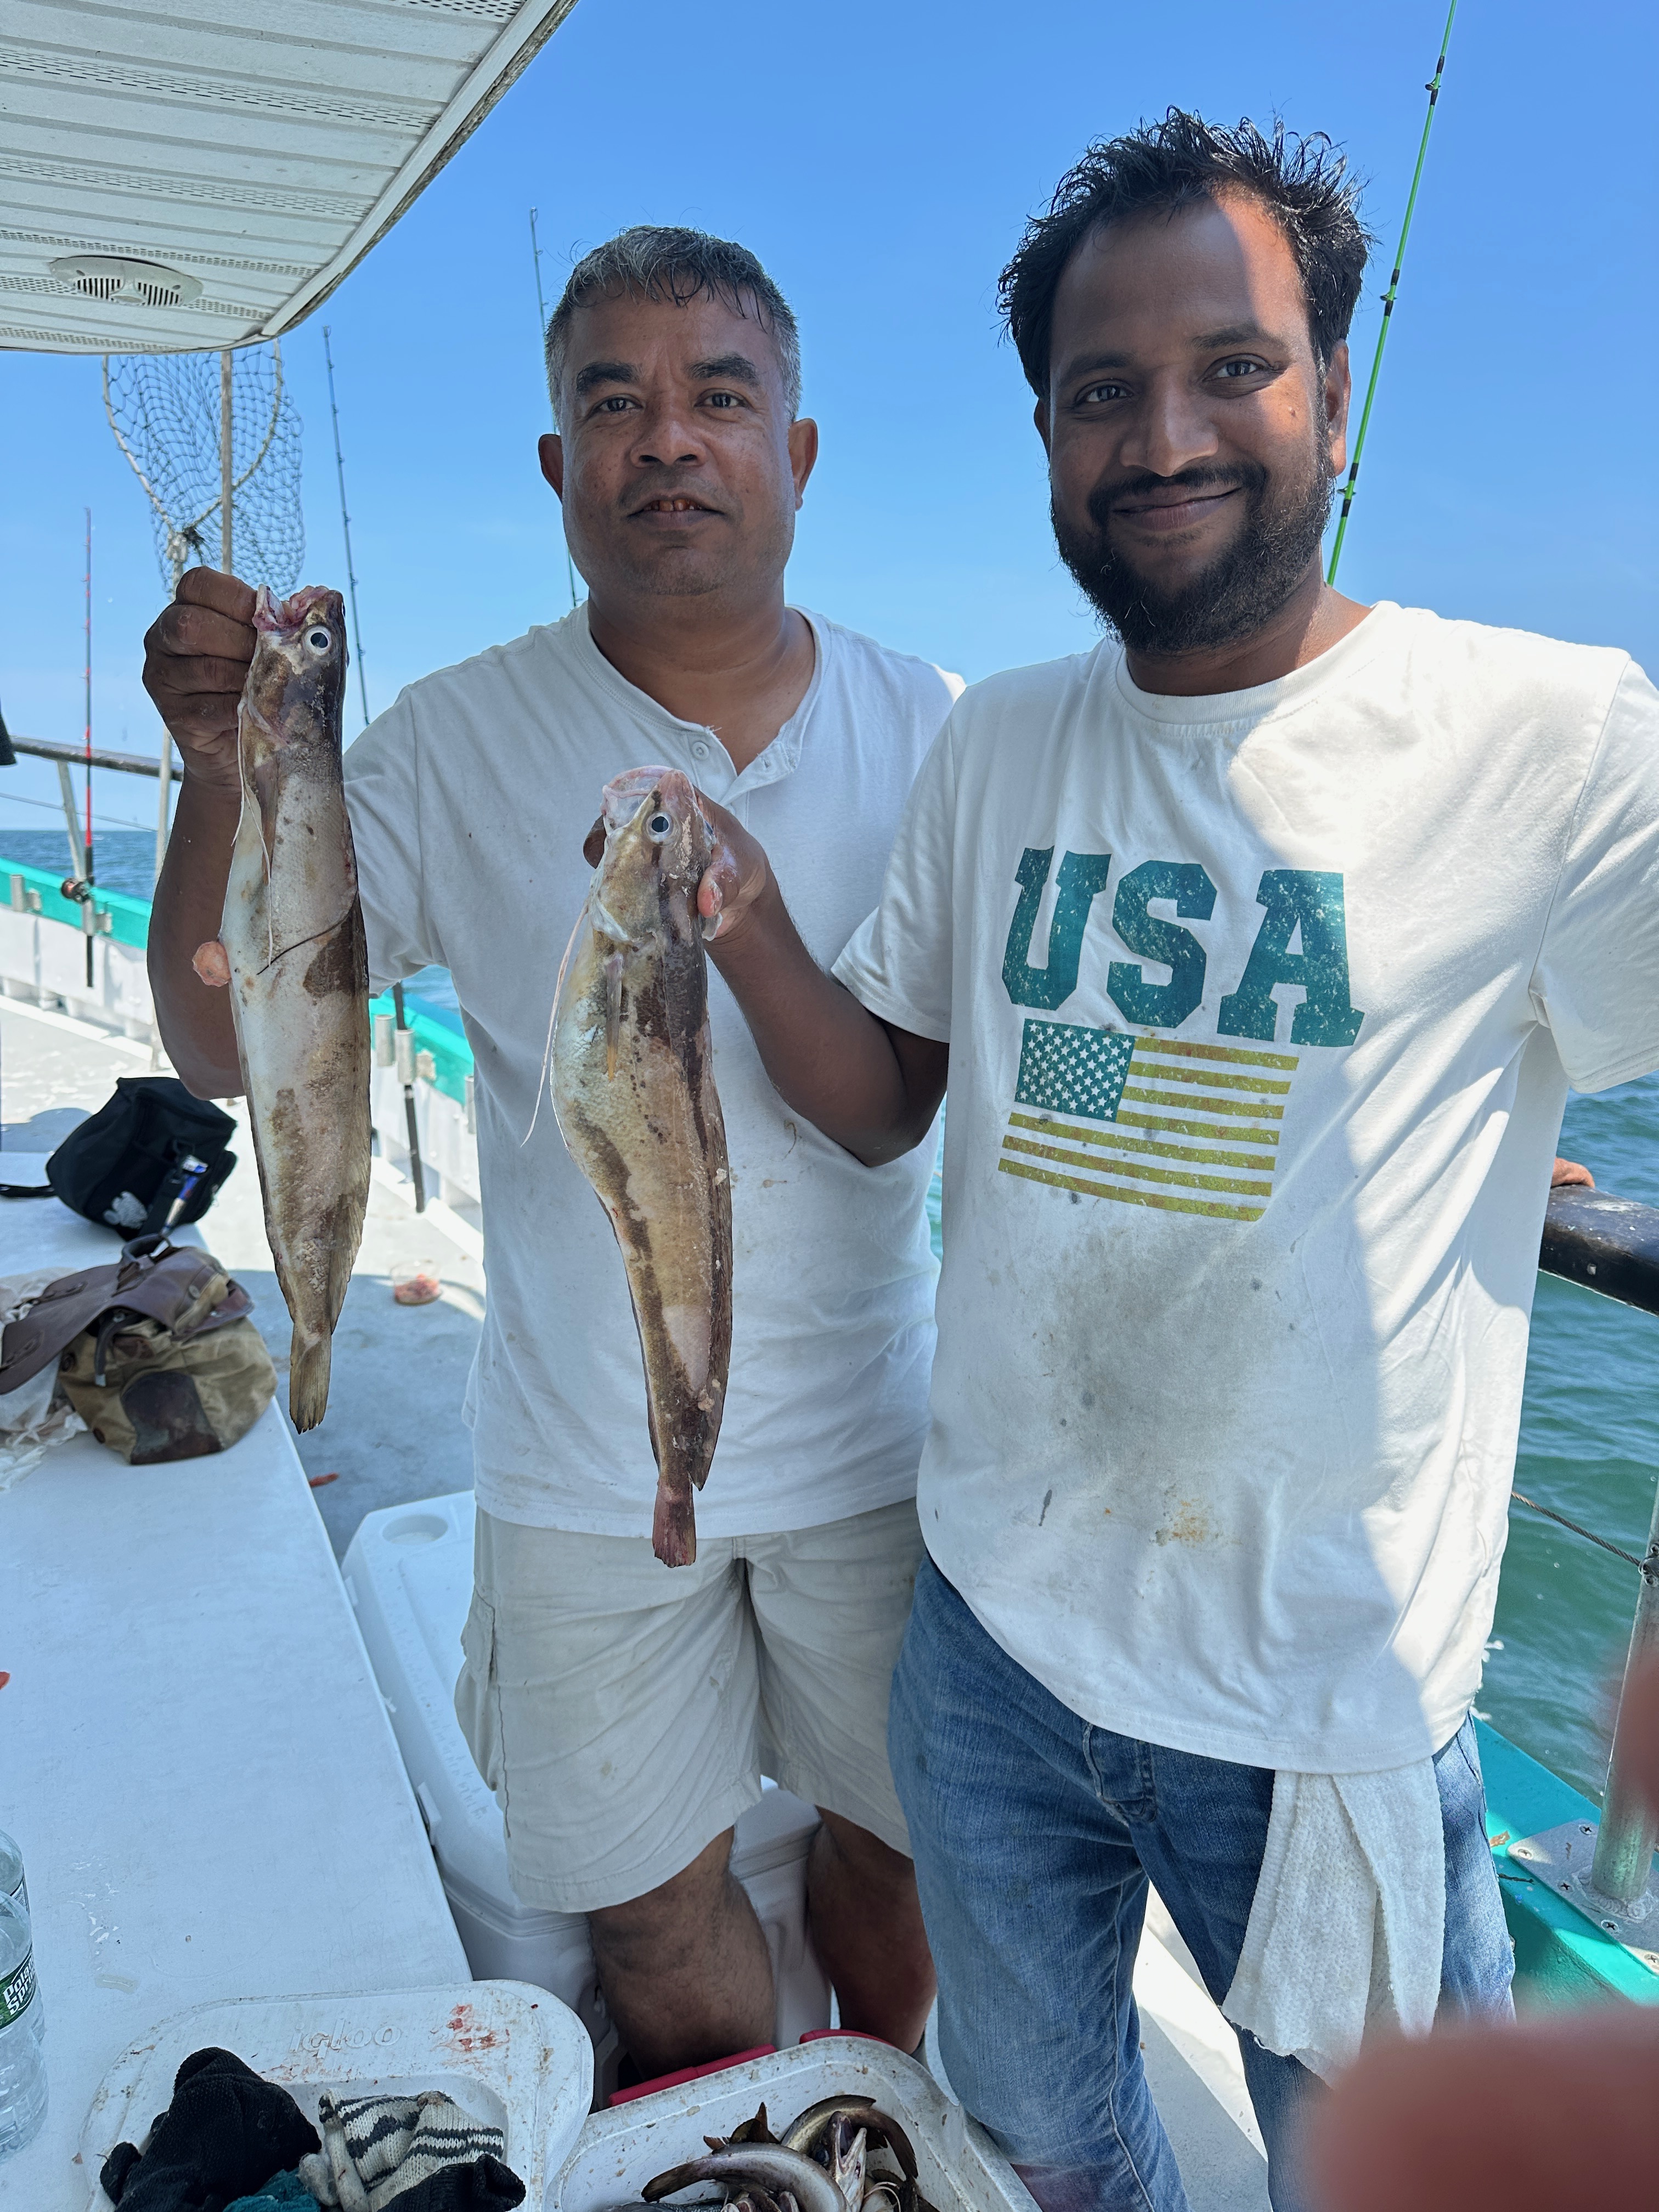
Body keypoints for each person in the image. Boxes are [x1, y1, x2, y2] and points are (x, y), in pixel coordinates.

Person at [684, 116, 1659, 2210]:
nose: (1165, 436)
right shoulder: (1000, 741)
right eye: (1100, 390)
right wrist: (748, 920)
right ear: (1045, 436)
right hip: (989, 1639)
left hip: (1322, 1707)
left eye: (1234, 367)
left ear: (1336, 394)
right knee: (1046, 2138)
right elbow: (894, 1095)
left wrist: (1503, 1145)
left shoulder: (1558, 738)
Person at [141, 225, 949, 2078]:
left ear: (798, 451)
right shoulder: (451, 739)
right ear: (556, 466)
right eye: (613, 403)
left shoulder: (938, 732)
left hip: (876, 1444)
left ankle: (878, 2107)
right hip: (578, 1466)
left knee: (901, 1854)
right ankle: (733, 2143)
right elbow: (223, 1040)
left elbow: (929, 1097)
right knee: (647, 1917)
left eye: (719, 397)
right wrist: (219, 767)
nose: (668, 439)